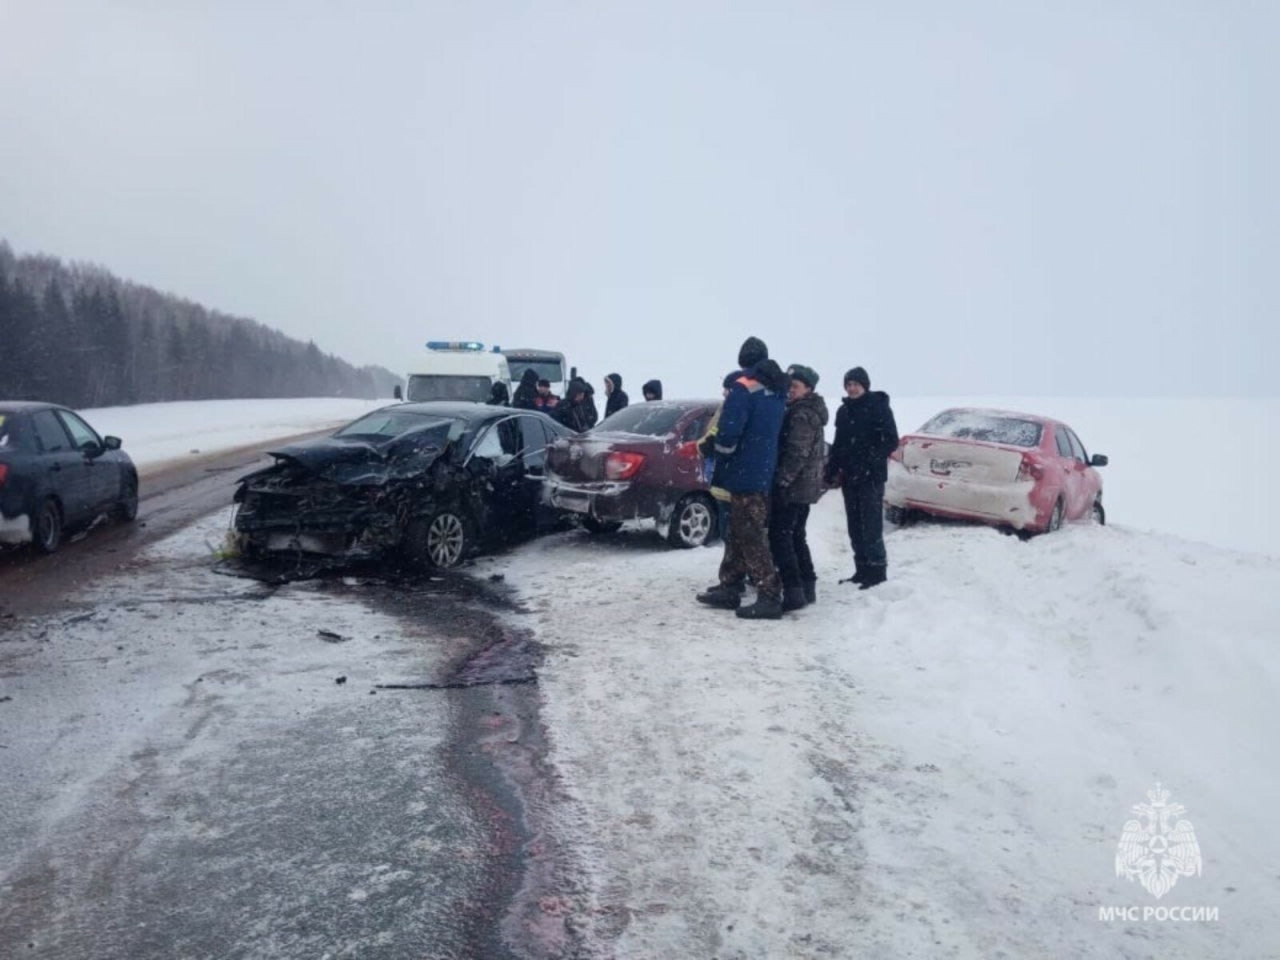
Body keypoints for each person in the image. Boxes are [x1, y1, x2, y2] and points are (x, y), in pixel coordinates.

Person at [696, 336, 789, 620]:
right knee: (738, 530)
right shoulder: (777, 389)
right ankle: (730, 584)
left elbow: (729, 431)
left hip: (742, 470)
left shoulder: (743, 388)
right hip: (762, 468)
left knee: (749, 533)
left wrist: (718, 450)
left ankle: (770, 594)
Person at [825, 366, 899, 589]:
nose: (852, 388)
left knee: (871, 526)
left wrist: (870, 461)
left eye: (856, 384)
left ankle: (877, 572)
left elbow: (890, 440)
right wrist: (832, 468)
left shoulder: (878, 407)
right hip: (850, 477)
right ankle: (861, 569)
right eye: (848, 385)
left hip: (871, 477)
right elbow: (838, 444)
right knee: (855, 526)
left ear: (864, 385)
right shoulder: (843, 411)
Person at [768, 365, 829, 610]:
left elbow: (797, 452)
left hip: (794, 487)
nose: (791, 390)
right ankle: (807, 585)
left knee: (781, 536)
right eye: (789, 385)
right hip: (804, 486)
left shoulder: (802, 414)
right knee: (795, 535)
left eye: (796, 386)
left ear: (809, 389)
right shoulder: (806, 410)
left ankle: (793, 590)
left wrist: (782, 480)